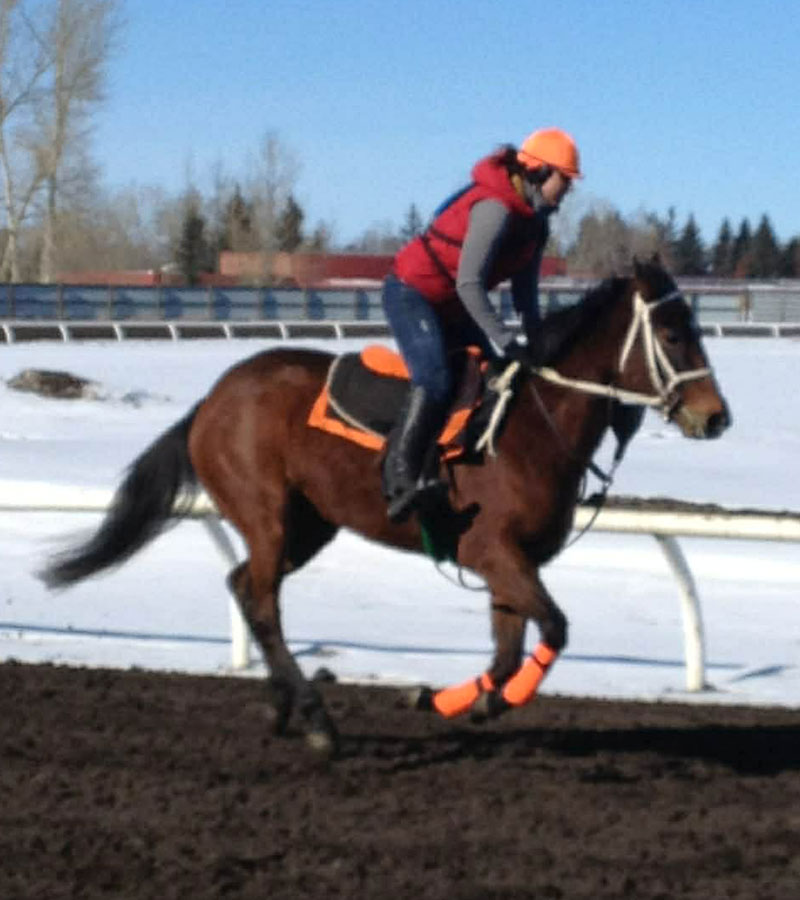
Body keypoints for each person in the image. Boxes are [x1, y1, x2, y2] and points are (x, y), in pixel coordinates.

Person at [381, 127, 581, 523]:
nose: (568, 190)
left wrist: (536, 341)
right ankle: (400, 476)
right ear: (540, 172)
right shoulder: (495, 209)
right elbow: (469, 284)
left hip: (454, 303)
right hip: (412, 294)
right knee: (436, 379)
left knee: (494, 378)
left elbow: (525, 291)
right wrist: (506, 339)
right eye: (565, 179)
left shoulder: (536, 223)